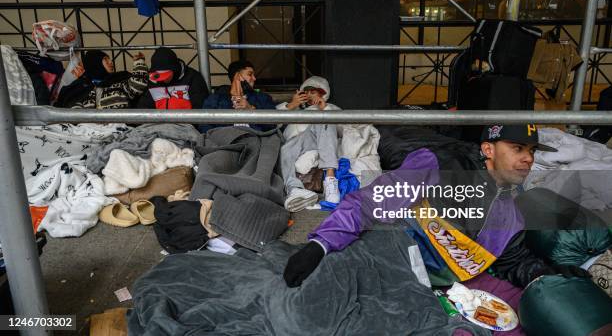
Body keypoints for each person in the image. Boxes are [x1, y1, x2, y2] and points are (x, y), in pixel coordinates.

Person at [283, 124, 591, 288]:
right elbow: (369, 203)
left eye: (532, 151)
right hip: (385, 256)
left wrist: (547, 275)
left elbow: (512, 260)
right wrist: (320, 245)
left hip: (438, 288)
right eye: (518, 148)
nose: (528, 158)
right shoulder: (440, 165)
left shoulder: (509, 207)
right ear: (488, 149)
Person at [277, 76, 342, 212]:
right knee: (284, 150)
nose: (309, 95)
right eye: (306, 92)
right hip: (294, 143)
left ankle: (330, 181)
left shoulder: (330, 107)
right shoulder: (293, 107)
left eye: (313, 92)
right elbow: (271, 122)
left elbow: (342, 130)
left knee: (324, 119)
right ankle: (295, 190)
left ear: (322, 94)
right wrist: (291, 105)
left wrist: (325, 109)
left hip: (317, 138)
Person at [199, 60, 276, 132]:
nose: (254, 78)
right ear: (237, 76)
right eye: (250, 74)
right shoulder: (216, 99)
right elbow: (204, 126)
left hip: (256, 139)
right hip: (226, 142)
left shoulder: (263, 98)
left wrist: (251, 109)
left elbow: (272, 125)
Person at [55, 50, 148, 109]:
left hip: (120, 129)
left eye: (110, 59)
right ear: (95, 63)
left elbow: (137, 86)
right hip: (88, 132)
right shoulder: (80, 86)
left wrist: (139, 63)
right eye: (106, 60)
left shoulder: (119, 79)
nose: (111, 62)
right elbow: (70, 110)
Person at [136, 47, 208, 110]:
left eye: (166, 75)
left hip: (185, 123)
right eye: (158, 76)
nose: (163, 79)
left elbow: (200, 107)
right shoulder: (152, 80)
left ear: (175, 70)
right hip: (155, 123)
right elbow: (144, 107)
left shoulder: (192, 77)